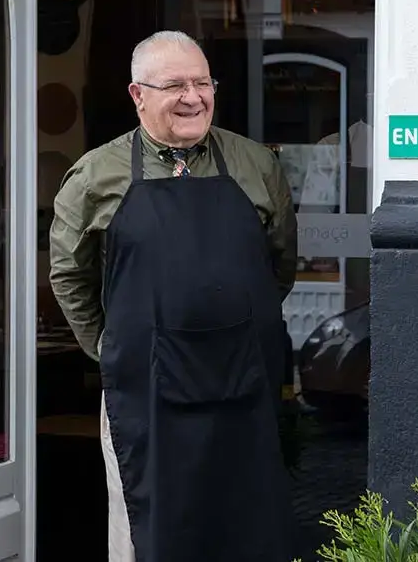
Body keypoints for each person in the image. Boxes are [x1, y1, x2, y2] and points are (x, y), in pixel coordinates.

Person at [48, 30, 298, 562]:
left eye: (202, 82)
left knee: (245, 523)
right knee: (148, 530)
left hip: (242, 386)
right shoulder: (95, 176)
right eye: (175, 85)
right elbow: (70, 276)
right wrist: (115, 348)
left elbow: (278, 265)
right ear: (138, 95)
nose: (194, 97)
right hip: (145, 392)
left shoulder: (256, 165)